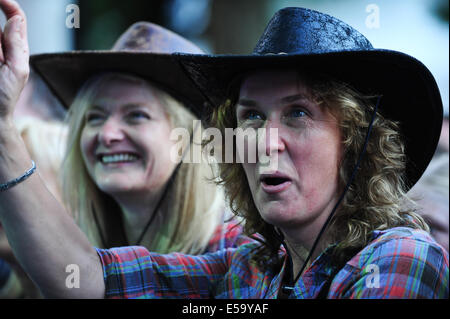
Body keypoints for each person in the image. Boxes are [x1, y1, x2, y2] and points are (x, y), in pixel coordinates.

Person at [0, 1, 448, 299]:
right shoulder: (250, 267)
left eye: (298, 114)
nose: (265, 140)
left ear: (357, 144)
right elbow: (86, 280)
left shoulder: (399, 256)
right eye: (251, 117)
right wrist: (3, 129)